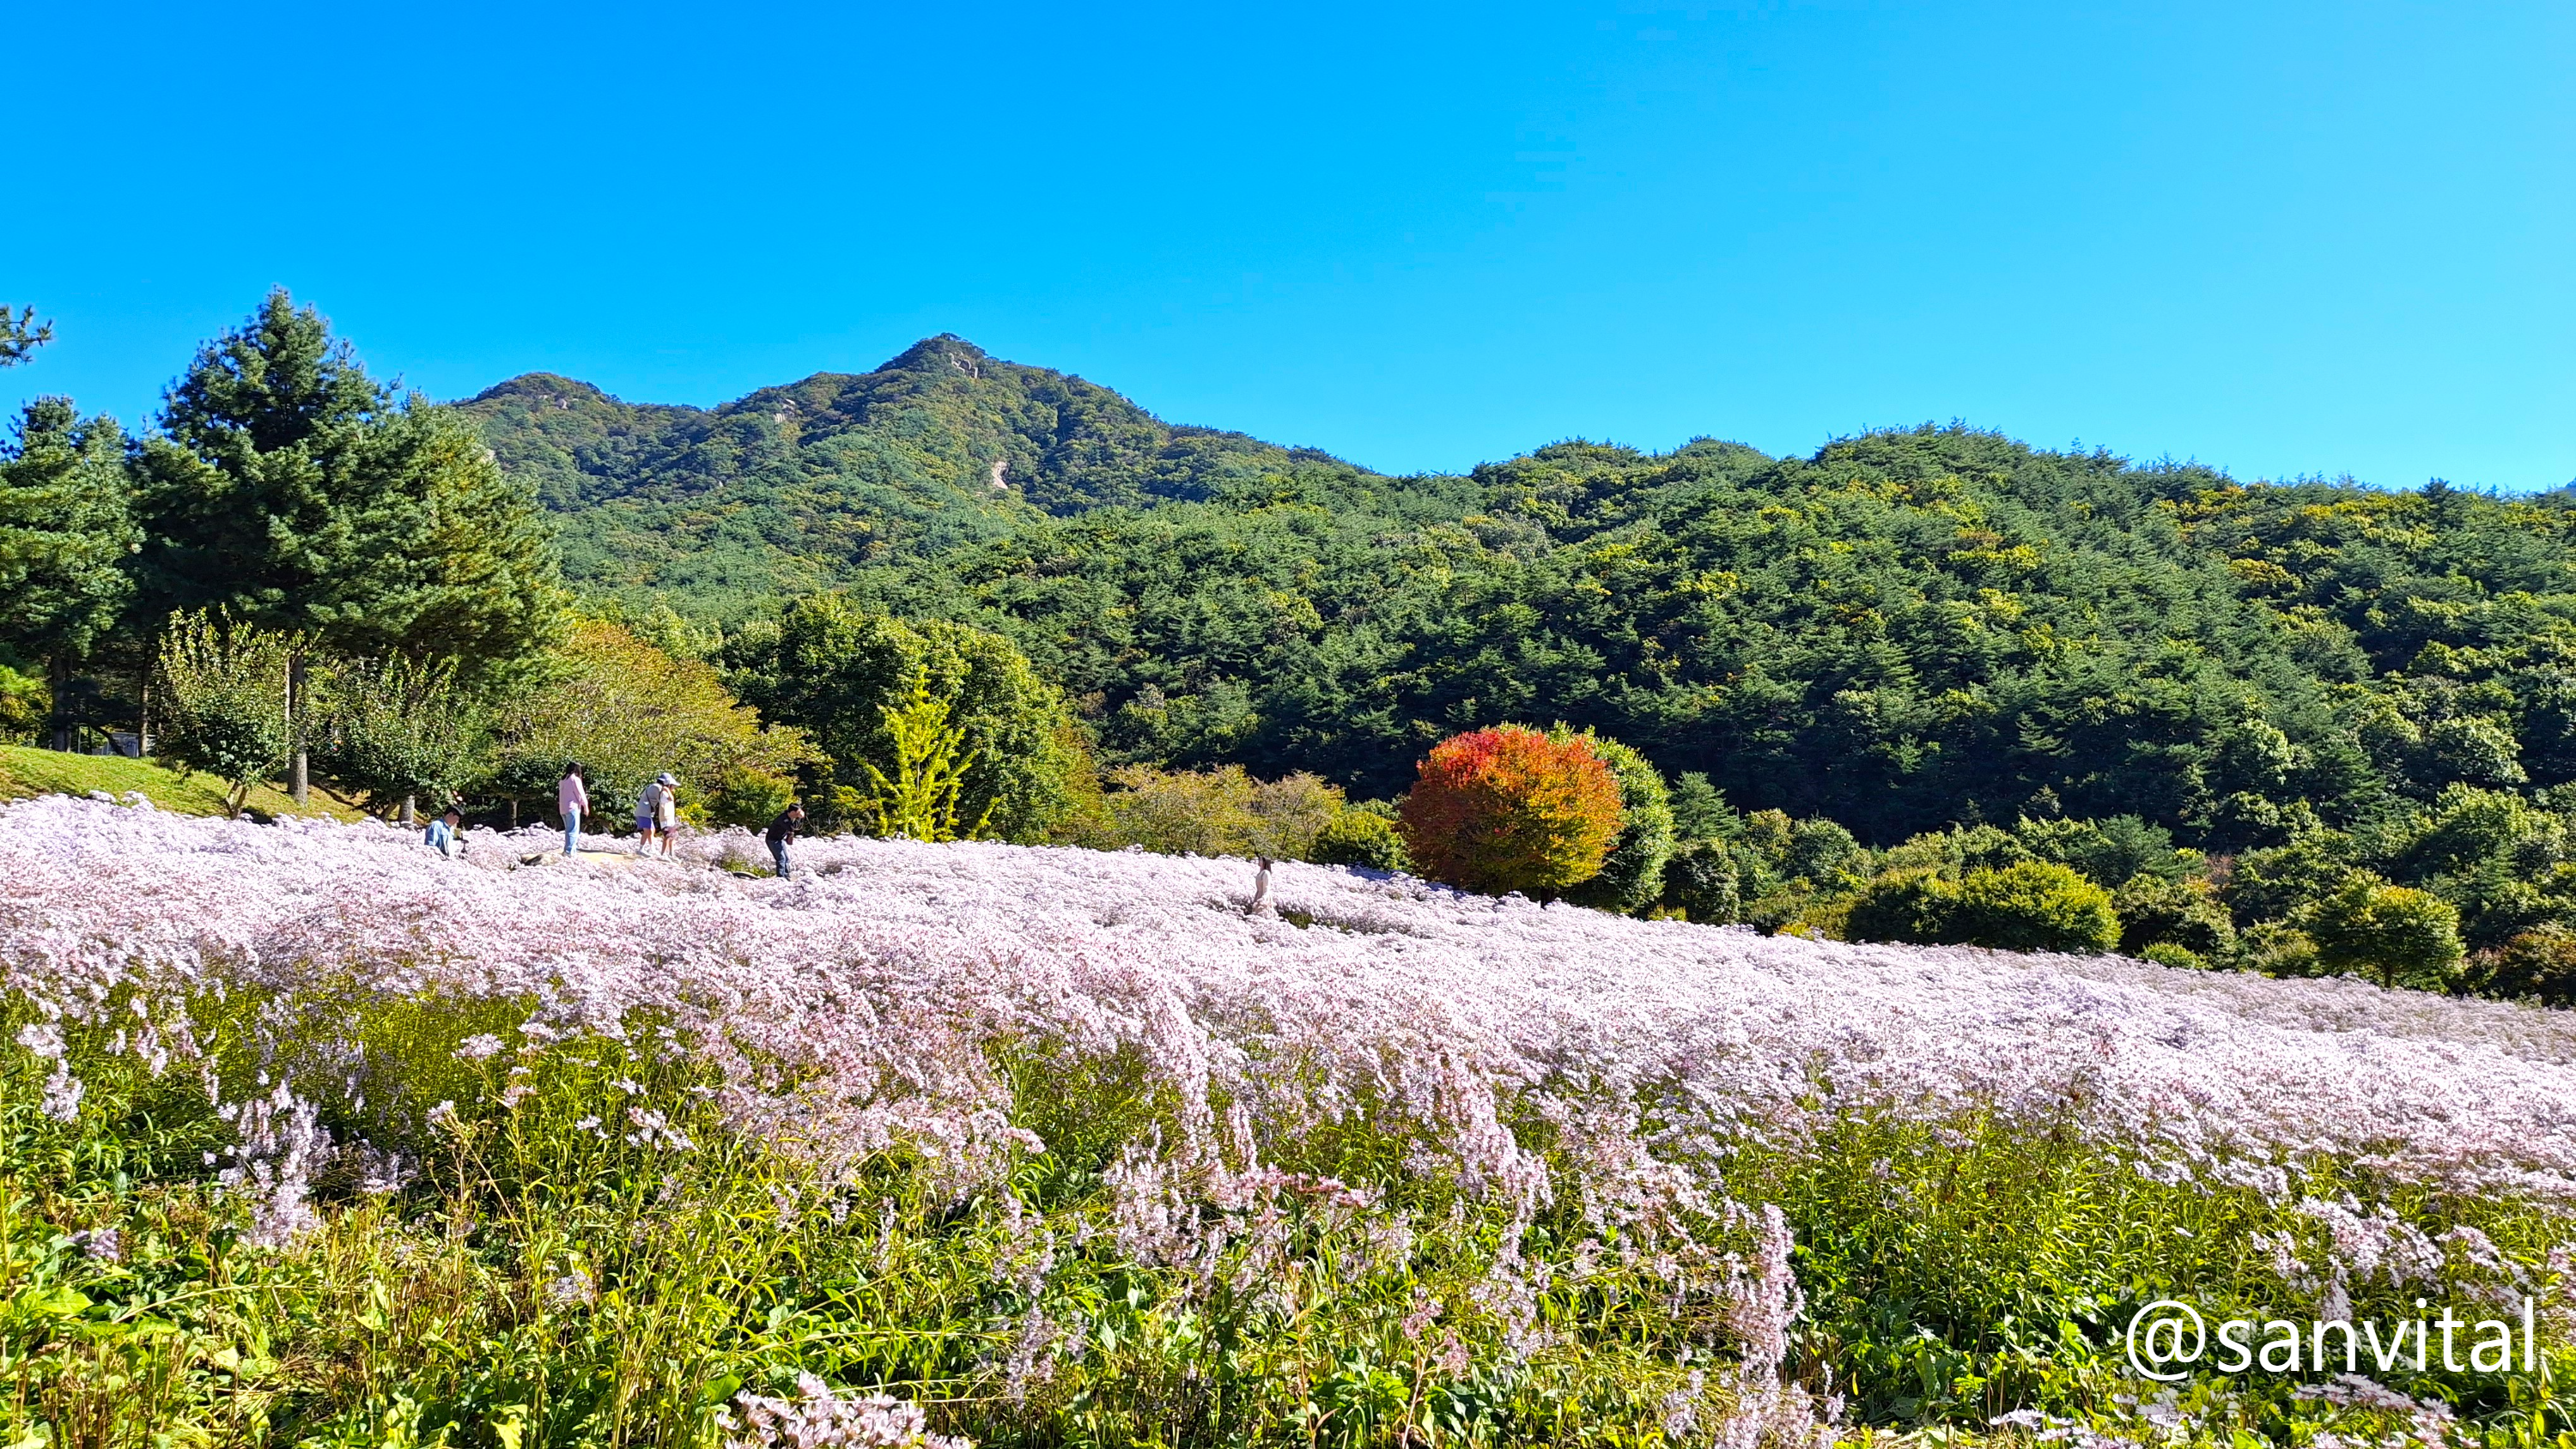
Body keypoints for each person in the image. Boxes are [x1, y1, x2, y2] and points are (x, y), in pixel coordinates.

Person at [765, 801, 805, 879]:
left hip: (779, 840)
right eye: (798, 812)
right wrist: (799, 818)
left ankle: (786, 876)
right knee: (781, 858)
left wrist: (799, 818)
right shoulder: (783, 819)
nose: (799, 813)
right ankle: (780, 878)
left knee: (787, 858)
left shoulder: (790, 817)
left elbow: (795, 827)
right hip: (772, 840)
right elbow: (791, 828)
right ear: (793, 812)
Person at [557, 762, 589, 857]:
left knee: (568, 830)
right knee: (573, 830)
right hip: (572, 808)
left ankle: (569, 850)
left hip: (563, 808)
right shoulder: (575, 779)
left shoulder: (562, 780)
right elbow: (580, 794)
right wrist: (586, 806)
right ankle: (570, 852)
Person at [634, 776, 664, 855]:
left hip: (646, 812)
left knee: (651, 830)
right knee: (647, 830)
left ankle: (652, 848)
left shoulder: (653, 786)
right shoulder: (657, 787)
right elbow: (662, 800)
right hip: (644, 812)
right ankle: (641, 849)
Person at [653, 773, 680, 858]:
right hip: (666, 819)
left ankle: (671, 854)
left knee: (672, 836)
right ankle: (663, 854)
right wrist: (666, 789)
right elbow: (671, 799)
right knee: (668, 836)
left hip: (670, 819)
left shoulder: (666, 793)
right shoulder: (664, 794)